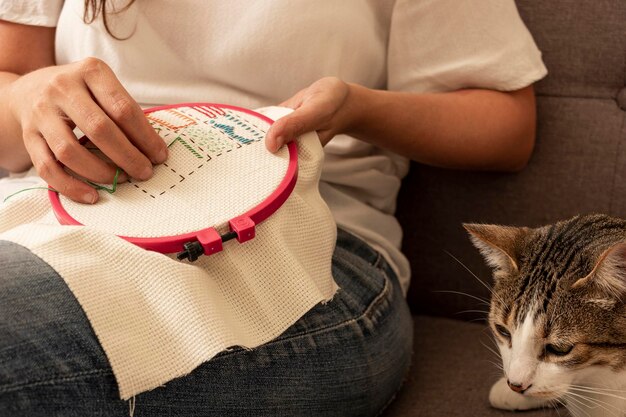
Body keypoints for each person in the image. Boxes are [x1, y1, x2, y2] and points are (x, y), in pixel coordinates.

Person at [0, 1, 547, 416]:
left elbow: (506, 128)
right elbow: (11, 89)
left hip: (303, 250)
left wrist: (356, 108)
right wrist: (32, 95)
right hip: (49, 214)